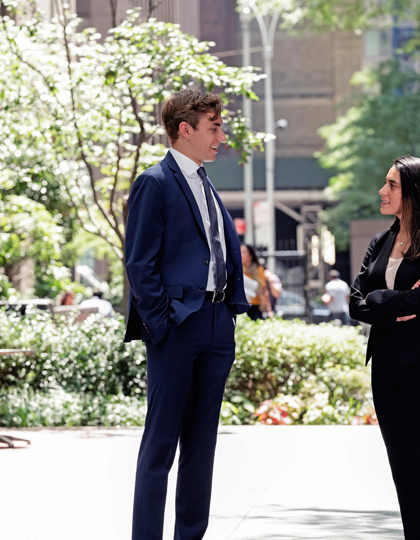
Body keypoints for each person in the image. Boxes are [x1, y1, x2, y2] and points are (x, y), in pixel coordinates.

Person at [123, 90, 250, 540]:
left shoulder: (207, 184)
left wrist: (230, 315)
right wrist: (162, 325)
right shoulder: (154, 182)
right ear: (186, 129)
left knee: (202, 448)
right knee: (160, 448)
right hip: (176, 329)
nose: (222, 136)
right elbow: (139, 263)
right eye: (214, 127)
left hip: (217, 327)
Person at [349, 156, 420, 540]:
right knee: (399, 459)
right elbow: (354, 302)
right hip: (386, 359)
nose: (383, 191)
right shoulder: (380, 241)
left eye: (392, 185)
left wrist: (378, 301)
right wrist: (389, 301)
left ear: (414, 191)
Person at [241, 244, 272, 320]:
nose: (241, 255)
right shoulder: (237, 270)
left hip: (257, 306)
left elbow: (264, 289)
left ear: (251, 255)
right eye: (240, 252)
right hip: (241, 305)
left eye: (244, 252)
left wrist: (269, 309)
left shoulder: (258, 269)